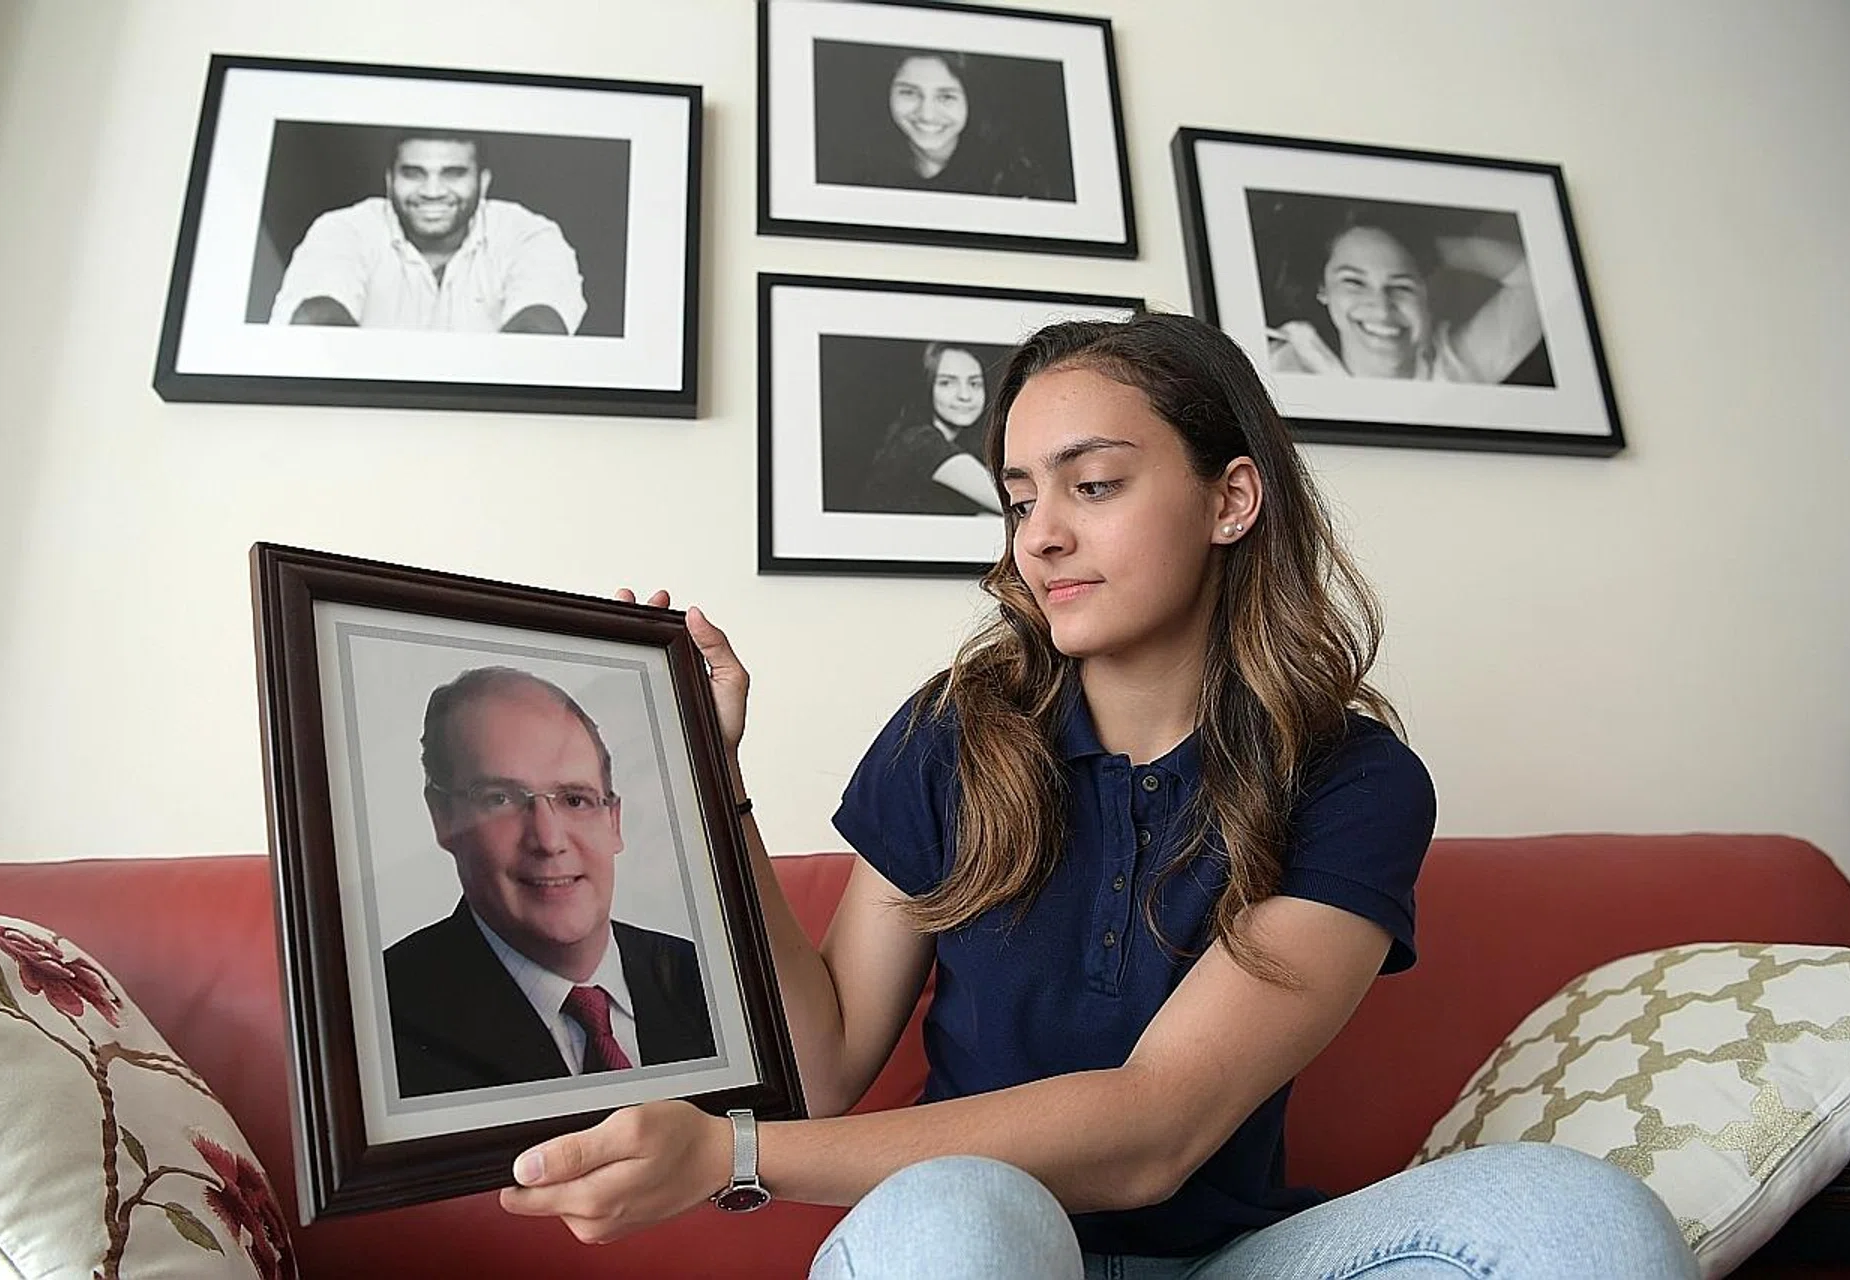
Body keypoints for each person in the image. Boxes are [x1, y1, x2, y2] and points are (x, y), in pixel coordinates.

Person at [497, 314, 1697, 1279]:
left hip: (1235, 1255)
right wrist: (712, 777)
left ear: (1232, 499)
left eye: (1095, 485)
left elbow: (1160, 1124)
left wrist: (733, 1153)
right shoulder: (952, 736)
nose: (1041, 538)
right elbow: (823, 1066)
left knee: (1580, 1214)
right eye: (1021, 497)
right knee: (963, 1213)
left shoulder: (1354, 779)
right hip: (979, 1244)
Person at [383, 667, 714, 1099]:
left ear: (613, 820)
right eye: (500, 799)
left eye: (575, 799)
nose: (548, 840)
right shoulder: (382, 1016)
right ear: (442, 818)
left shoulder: (701, 980)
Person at [268, 130, 588, 334]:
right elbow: (314, 325)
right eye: (413, 173)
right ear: (390, 181)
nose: (432, 191)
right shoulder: (343, 229)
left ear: (484, 182)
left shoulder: (528, 235)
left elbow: (541, 338)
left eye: (453, 173)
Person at [1268, 207, 1545, 383]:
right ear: (1323, 290)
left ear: (1425, 294)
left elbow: (1542, 279)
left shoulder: (1464, 365)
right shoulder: (1281, 366)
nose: (1382, 308)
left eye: (1402, 285)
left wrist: (1427, 249)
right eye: (1354, 282)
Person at [848, 50, 1058, 199]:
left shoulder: (1012, 176)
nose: (927, 114)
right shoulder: (860, 168)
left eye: (946, 97)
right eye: (909, 92)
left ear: (971, 99)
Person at [861, 342, 1001, 515]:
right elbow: (1008, 502)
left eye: (974, 384)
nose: (965, 395)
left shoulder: (950, 442)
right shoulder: (920, 442)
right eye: (947, 383)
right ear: (926, 386)